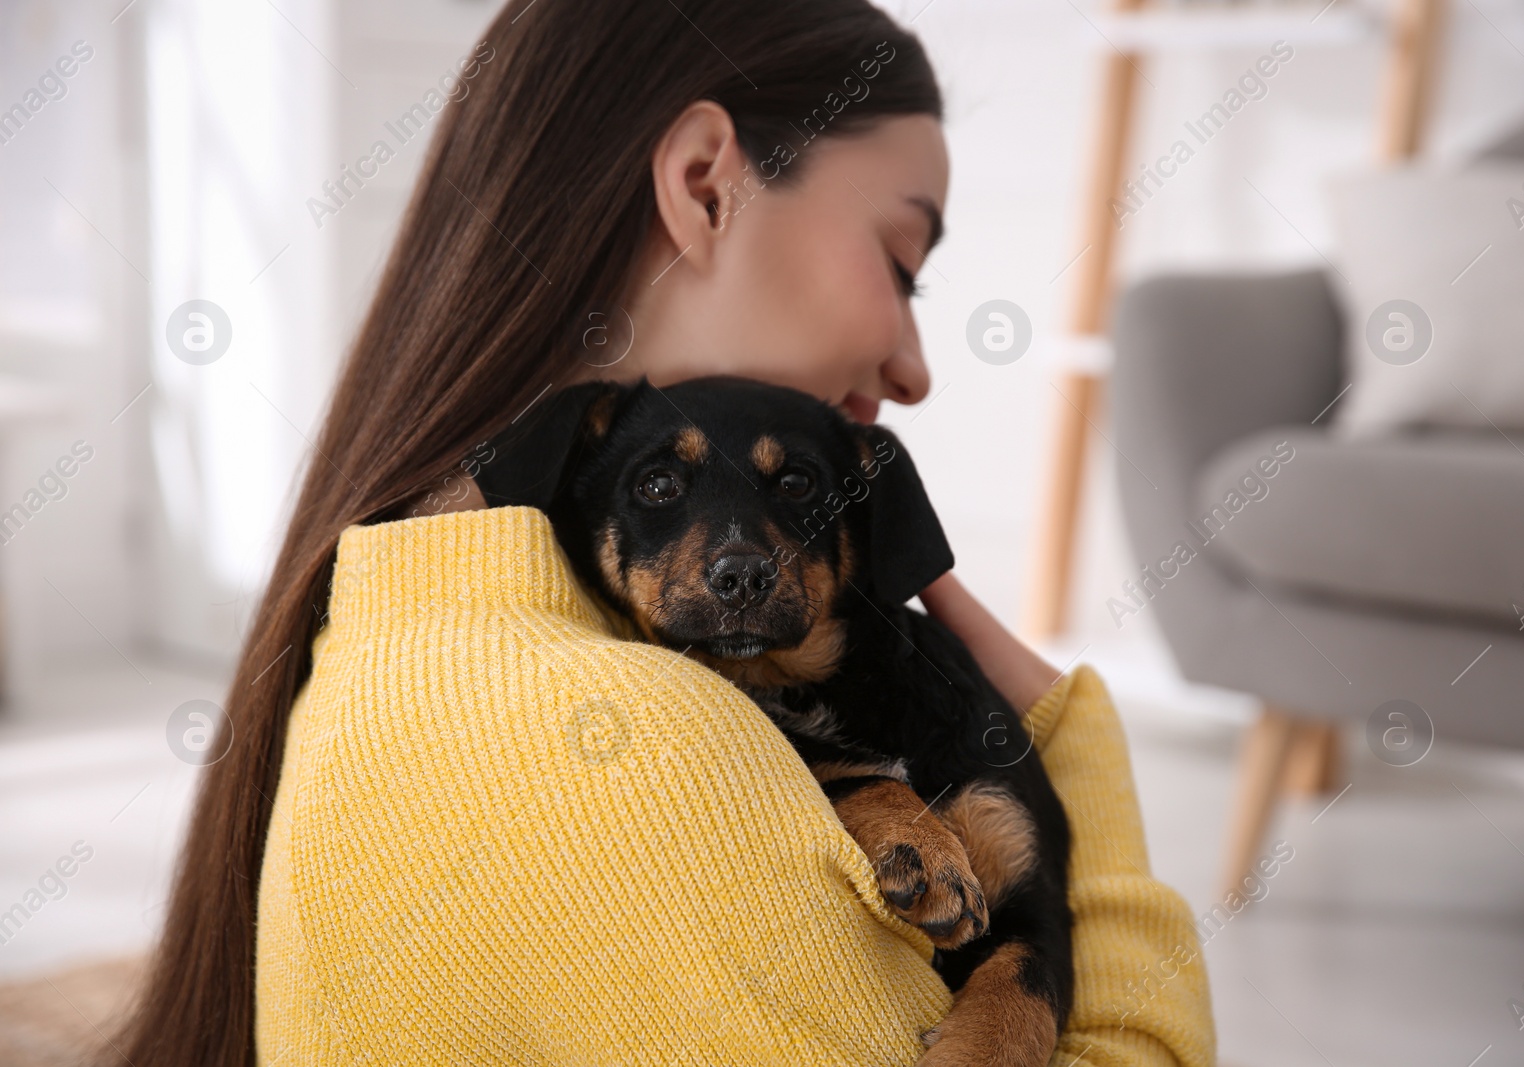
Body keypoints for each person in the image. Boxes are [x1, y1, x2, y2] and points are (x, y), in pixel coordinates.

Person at [113, 1, 1215, 1064]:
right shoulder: (645, 756)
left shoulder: (398, 611)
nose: (914, 366)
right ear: (705, 187)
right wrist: (1079, 765)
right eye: (899, 261)